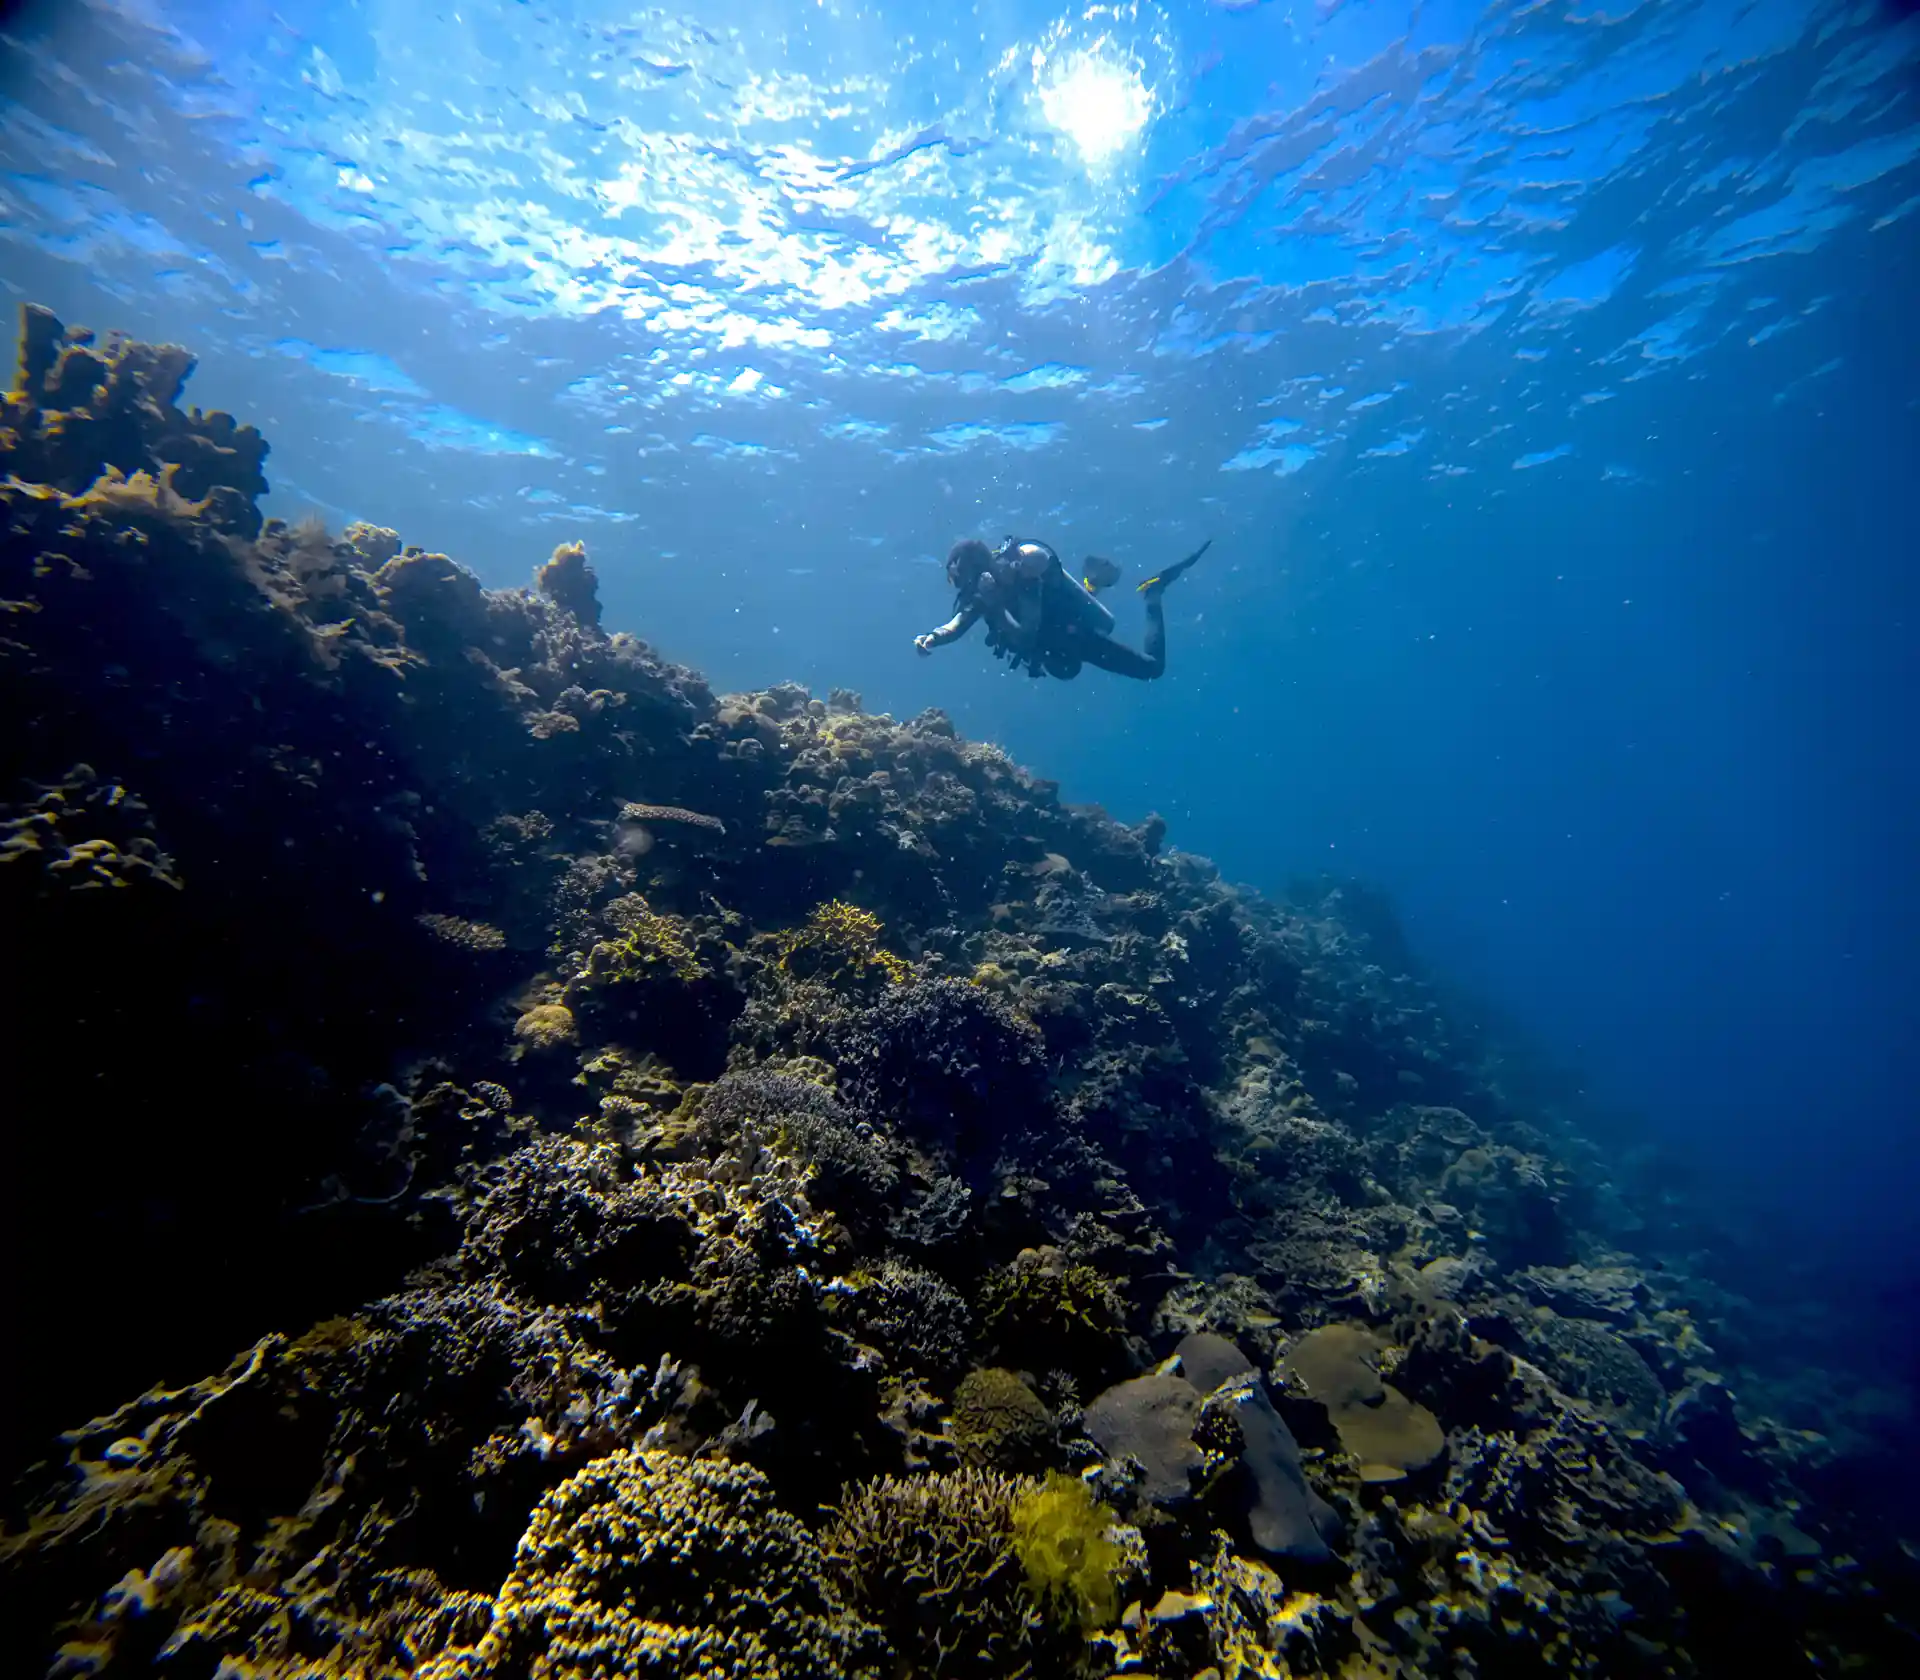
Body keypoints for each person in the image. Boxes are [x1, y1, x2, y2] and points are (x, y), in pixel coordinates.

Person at [914, 535, 1208, 680]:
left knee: (1152, 669)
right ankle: (1097, 586)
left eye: (961, 578)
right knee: (1067, 670)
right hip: (1056, 650)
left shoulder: (1023, 574)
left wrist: (995, 606)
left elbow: (1028, 633)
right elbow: (959, 622)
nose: (962, 587)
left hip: (1075, 636)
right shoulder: (983, 590)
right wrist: (934, 638)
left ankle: (1152, 596)